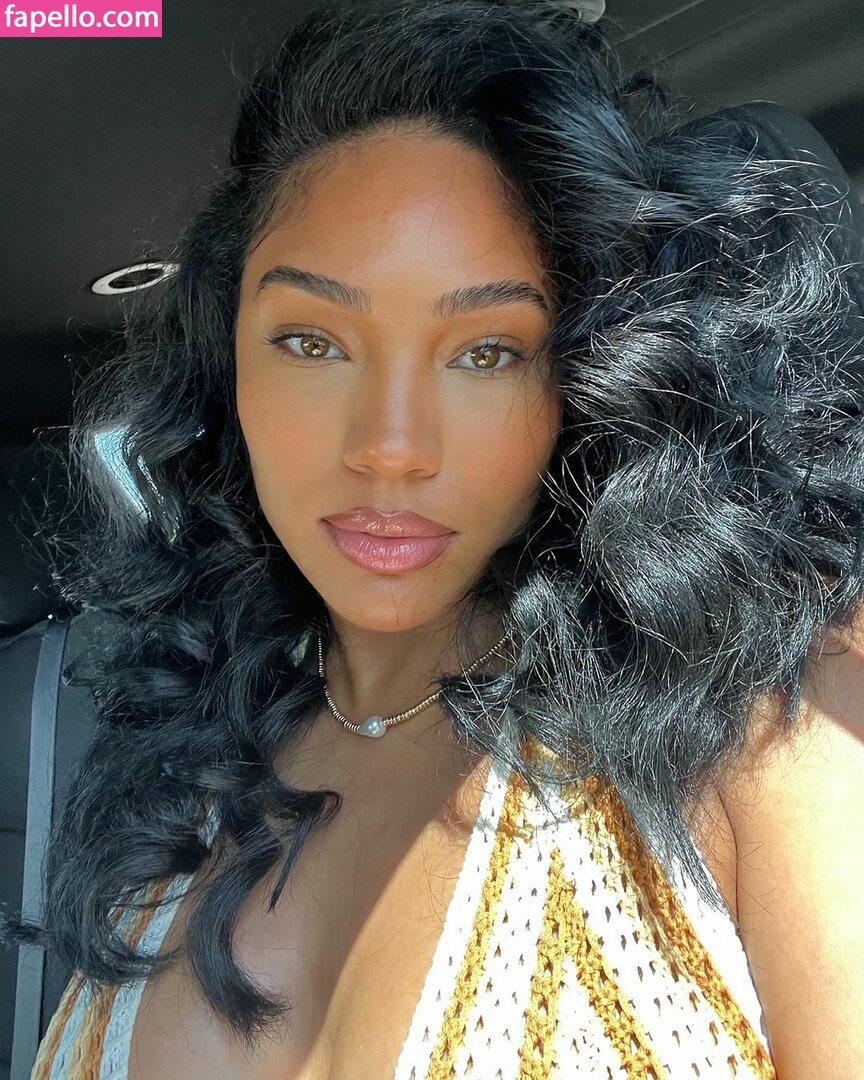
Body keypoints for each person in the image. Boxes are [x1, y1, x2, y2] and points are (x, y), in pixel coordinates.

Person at [5, 0, 864, 1075]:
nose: (392, 448)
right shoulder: (178, 774)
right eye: (313, 342)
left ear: (582, 380)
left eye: (486, 352)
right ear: (229, 371)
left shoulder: (767, 723)